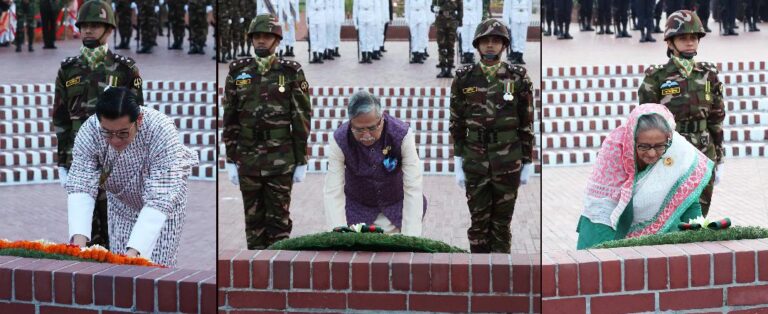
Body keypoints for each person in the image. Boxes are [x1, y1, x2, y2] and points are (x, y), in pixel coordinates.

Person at [66, 87, 199, 266]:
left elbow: (160, 198)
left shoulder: (161, 129)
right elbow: (81, 185)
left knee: (154, 270)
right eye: (107, 133)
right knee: (120, 272)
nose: (115, 140)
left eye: (123, 133)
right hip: (122, 206)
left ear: (139, 120)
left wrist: (134, 252)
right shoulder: (89, 131)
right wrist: (77, 246)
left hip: (162, 208)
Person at [54, 0, 144, 251]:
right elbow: (60, 119)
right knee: (84, 236)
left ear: (109, 30)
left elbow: (138, 119)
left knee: (119, 233)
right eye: (84, 26)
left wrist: (135, 162)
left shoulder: (125, 70)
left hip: (116, 161)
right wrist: (63, 162)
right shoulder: (68, 70)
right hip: (80, 162)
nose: (88, 31)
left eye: (95, 26)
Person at [222, 14, 312, 250]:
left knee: (279, 224)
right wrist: (230, 159)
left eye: (267, 36)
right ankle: (256, 277)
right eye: (257, 36)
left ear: (277, 40)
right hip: (247, 157)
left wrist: (301, 159)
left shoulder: (290, 71)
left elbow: (301, 117)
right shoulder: (238, 71)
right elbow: (230, 117)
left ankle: (278, 278)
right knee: (253, 223)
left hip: (280, 159)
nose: (261, 41)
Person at [576, 104, 714, 249]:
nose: (652, 154)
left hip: (662, 228)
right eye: (644, 146)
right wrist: (607, 252)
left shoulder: (677, 148)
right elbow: (603, 206)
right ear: (632, 140)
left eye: (660, 146)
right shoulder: (615, 149)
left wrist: (698, 232)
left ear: (669, 139)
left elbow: (687, 194)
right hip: (608, 223)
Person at [450, 19, 535, 253]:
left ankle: (501, 279)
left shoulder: (517, 77)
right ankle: (479, 280)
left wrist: (527, 161)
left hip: (507, 160)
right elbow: (456, 123)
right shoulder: (464, 78)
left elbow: (526, 122)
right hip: (475, 158)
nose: (490, 45)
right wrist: (458, 160)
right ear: (477, 44)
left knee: (501, 224)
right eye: (485, 41)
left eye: (496, 41)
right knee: (478, 224)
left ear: (504, 45)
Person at [638, 10, 724, 217]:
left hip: (704, 147)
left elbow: (717, 117)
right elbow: (646, 120)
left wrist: (719, 156)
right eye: (683, 38)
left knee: (701, 208)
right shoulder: (657, 76)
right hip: (672, 147)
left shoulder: (708, 74)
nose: (689, 43)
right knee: (672, 207)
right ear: (670, 43)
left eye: (693, 38)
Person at [323, 90, 425, 237]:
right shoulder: (339, 139)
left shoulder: (402, 134)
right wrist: (338, 234)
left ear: (381, 119)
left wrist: (412, 236)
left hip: (397, 210)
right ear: (351, 123)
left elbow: (413, 186)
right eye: (358, 130)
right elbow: (333, 190)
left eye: (372, 128)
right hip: (357, 212)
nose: (366, 136)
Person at [432, 0, 461, 78]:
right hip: (441, 22)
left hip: (452, 22)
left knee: (450, 46)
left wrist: (460, 23)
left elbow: (460, 9)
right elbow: (433, 7)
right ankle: (442, 70)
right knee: (441, 46)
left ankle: (449, 70)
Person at [459, 0, 481, 64]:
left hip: (474, 19)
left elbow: (479, 8)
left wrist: (479, 22)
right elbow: (459, 8)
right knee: (464, 37)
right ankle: (465, 55)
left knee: (472, 37)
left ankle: (471, 55)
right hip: (464, 18)